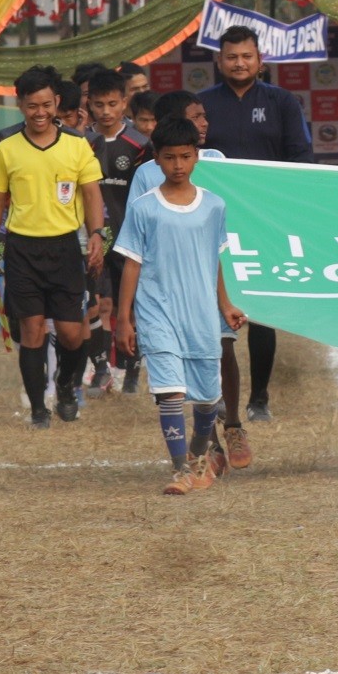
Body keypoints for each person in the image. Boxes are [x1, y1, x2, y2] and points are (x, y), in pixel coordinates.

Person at [113, 116, 249, 496]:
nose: (177, 165)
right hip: (157, 313)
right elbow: (132, 264)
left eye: (185, 157)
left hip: (201, 315)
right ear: (156, 158)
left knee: (206, 399)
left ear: (196, 157)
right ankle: (180, 470)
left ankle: (197, 455)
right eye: (170, 157)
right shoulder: (143, 208)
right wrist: (124, 319)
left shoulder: (213, 206)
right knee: (170, 392)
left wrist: (225, 305)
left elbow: (213, 259)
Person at [197, 24, 313, 424]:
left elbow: (300, 159)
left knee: (261, 309)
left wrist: (290, 211)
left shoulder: (282, 101)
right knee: (213, 309)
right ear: (219, 61)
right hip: (211, 222)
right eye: (231, 57)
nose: (239, 63)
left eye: (247, 56)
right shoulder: (201, 104)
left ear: (260, 60)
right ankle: (216, 394)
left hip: (264, 220)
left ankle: (259, 396)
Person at [0, 67, 107, 427]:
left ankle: (66, 386)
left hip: (65, 249)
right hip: (21, 250)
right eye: (32, 105)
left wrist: (96, 234)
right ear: (20, 104)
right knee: (32, 330)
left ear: (57, 103)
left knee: (71, 333)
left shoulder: (76, 145)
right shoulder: (6, 148)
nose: (40, 113)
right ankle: (39, 409)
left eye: (46, 105)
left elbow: (91, 193)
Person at [84, 70, 152, 394]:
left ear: (125, 102)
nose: (106, 111)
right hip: (95, 237)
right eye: (99, 105)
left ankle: (131, 368)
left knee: (131, 306)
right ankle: (101, 368)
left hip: (130, 236)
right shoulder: (80, 143)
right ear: (89, 104)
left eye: (112, 104)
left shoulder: (141, 145)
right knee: (96, 304)